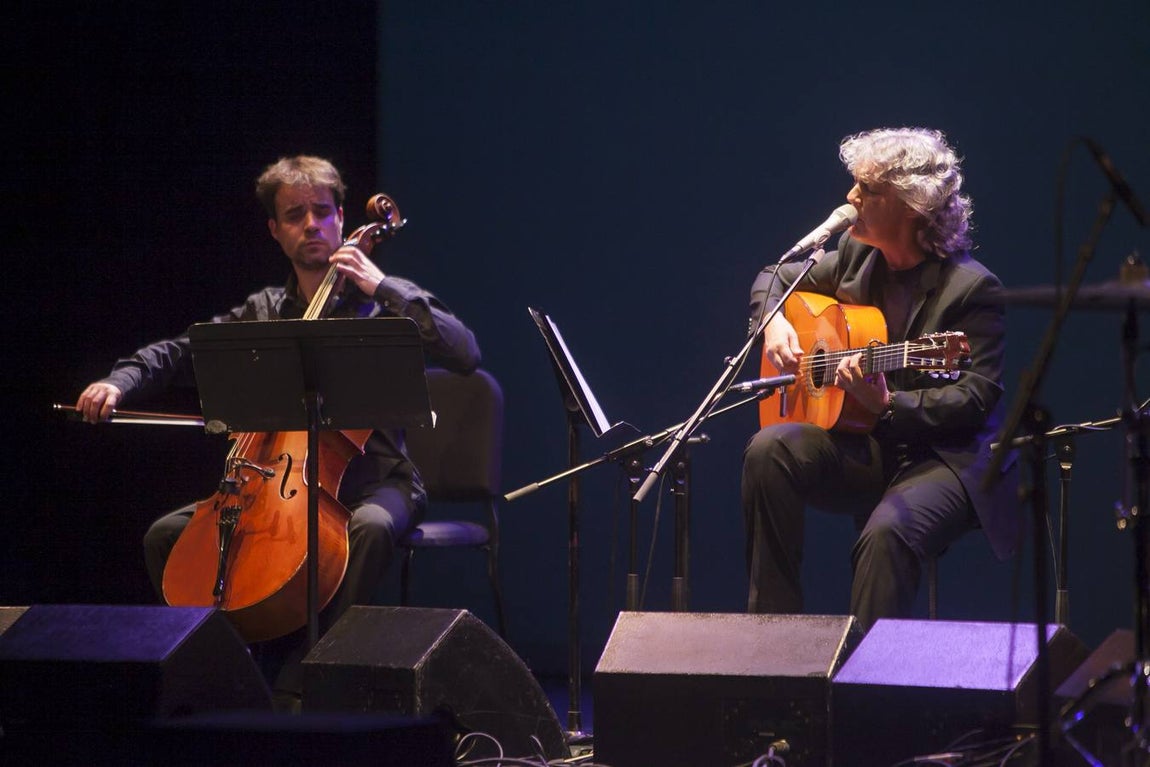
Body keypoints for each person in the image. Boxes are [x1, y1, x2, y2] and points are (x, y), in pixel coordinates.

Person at [75, 155, 481, 697]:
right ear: (275, 229)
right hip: (273, 485)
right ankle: (221, 677)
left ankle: (313, 679)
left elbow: (464, 352)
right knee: (165, 536)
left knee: (369, 528)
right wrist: (119, 382)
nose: (311, 225)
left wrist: (382, 284)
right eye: (295, 215)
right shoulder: (264, 310)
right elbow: (180, 351)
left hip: (376, 481)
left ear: (341, 218)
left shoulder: (383, 304)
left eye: (322, 211)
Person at [742, 127, 1019, 631]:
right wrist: (773, 323)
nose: (851, 197)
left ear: (913, 205)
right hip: (870, 444)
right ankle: (771, 639)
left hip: (945, 458)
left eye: (868, 190)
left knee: (887, 533)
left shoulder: (973, 288)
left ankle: (866, 675)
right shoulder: (856, 256)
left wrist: (887, 405)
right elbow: (775, 276)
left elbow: (975, 397)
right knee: (770, 450)